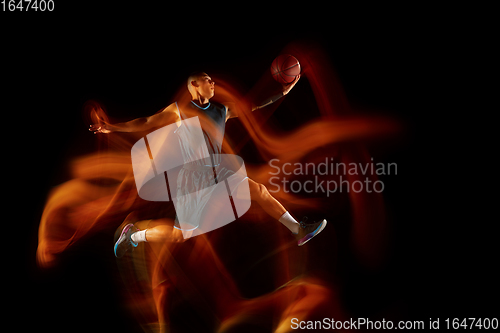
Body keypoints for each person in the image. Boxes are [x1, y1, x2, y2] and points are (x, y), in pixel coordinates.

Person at [90, 72, 327, 257]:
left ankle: (298, 230)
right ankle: (135, 235)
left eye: (212, 80)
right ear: (194, 85)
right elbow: (146, 121)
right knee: (180, 235)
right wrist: (112, 127)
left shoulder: (221, 110)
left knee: (258, 190)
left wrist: (282, 92)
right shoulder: (179, 111)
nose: (213, 83)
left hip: (218, 170)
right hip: (192, 178)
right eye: (207, 80)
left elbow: (253, 105)